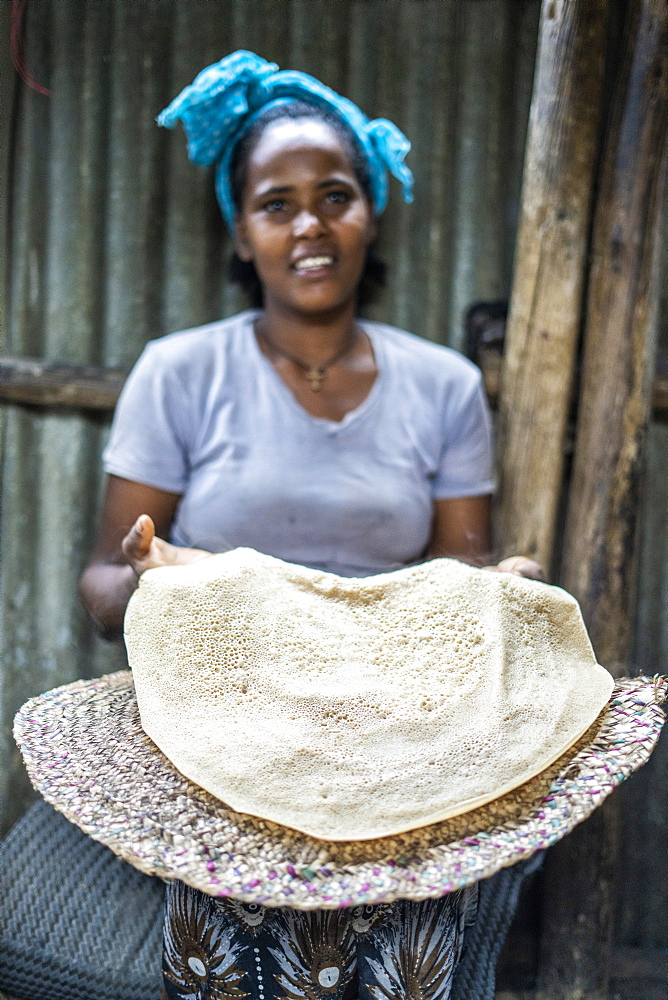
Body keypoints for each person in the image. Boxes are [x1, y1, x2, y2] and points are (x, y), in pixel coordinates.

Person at [79, 51, 542, 1000]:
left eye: (335, 195)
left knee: (405, 953)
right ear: (241, 233)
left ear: (372, 211)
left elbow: (465, 571)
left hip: (391, 721)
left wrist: (504, 591)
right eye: (275, 203)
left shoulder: (444, 386)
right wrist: (150, 577)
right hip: (222, 719)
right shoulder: (179, 372)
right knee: (225, 958)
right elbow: (96, 591)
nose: (309, 226)